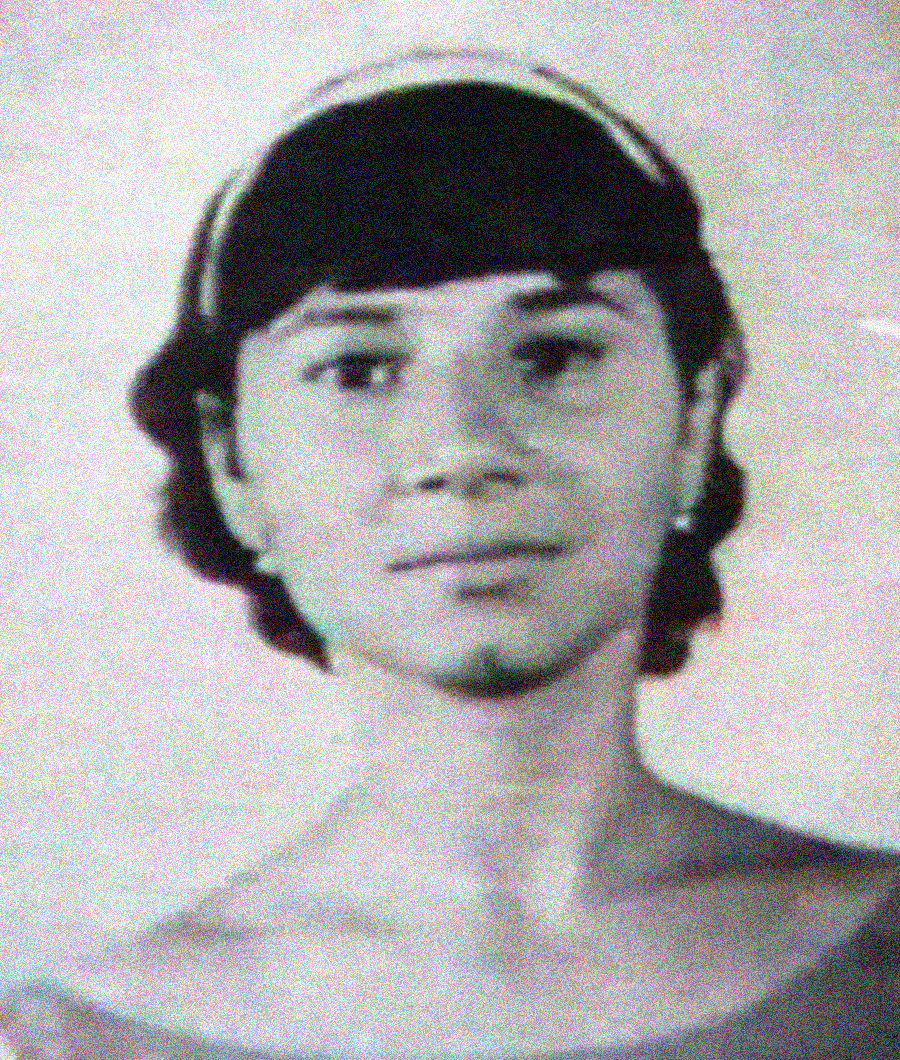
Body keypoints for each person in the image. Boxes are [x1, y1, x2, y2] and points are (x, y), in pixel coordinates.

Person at [3, 46, 900, 1060]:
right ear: (231, 462)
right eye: (358, 369)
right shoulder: (69, 1039)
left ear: (695, 419)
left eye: (554, 355)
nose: (464, 447)